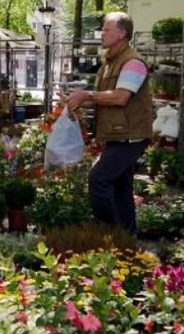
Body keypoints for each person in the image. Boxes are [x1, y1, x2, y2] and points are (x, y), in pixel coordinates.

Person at [65, 12, 152, 233]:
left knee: (98, 179)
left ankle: (110, 232)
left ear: (122, 33)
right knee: (121, 188)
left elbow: (121, 97)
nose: (101, 33)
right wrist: (75, 102)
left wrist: (87, 96)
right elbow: (105, 100)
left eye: (106, 29)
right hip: (118, 135)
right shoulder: (108, 62)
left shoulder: (132, 62)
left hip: (130, 136)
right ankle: (127, 238)